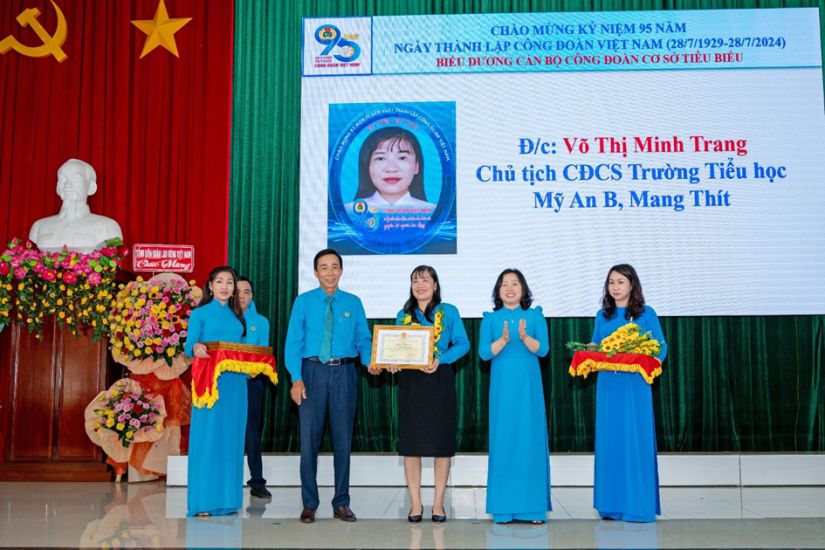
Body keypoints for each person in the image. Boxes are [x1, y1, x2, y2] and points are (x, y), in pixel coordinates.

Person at [369, 265, 469, 523]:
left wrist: (441, 359)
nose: (420, 284)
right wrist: (390, 362)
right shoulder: (403, 315)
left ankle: (437, 504)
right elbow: (394, 349)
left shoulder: (449, 312)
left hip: (439, 382)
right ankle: (415, 504)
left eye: (426, 280)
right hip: (411, 385)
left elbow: (463, 344)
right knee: (412, 445)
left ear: (435, 285)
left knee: (441, 445)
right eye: (415, 280)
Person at [284, 249, 372, 524]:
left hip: (344, 372)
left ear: (342, 271)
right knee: (308, 441)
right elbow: (292, 344)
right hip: (311, 374)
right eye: (324, 267)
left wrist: (371, 362)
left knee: (342, 441)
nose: (330, 272)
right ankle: (309, 503)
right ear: (315, 273)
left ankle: (341, 503)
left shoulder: (353, 303)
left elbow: (363, 340)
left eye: (335, 267)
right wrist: (296, 378)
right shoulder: (304, 302)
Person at [590, 264, 667, 522]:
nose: (615, 287)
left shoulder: (647, 314)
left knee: (636, 440)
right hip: (609, 388)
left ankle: (638, 505)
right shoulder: (602, 315)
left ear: (632, 285)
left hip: (635, 387)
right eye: (611, 282)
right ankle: (610, 506)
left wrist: (647, 359)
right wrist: (591, 351)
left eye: (620, 282)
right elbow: (597, 346)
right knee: (611, 442)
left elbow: (660, 348)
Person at [478, 269, 551, 524]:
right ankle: (503, 508)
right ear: (498, 291)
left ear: (524, 289)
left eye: (515, 283)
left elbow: (543, 349)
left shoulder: (534, 316)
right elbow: (484, 354)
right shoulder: (491, 319)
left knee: (529, 441)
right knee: (504, 441)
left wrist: (523, 337)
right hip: (502, 392)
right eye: (504, 284)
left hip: (528, 391)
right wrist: (504, 340)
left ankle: (533, 509)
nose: (510, 288)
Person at [184, 266, 248, 517]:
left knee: (231, 441)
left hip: (236, 386)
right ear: (210, 286)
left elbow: (242, 350)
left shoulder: (237, 316)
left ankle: (228, 500)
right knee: (207, 440)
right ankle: (203, 502)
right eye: (219, 282)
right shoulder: (200, 314)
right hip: (209, 385)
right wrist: (197, 348)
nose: (225, 286)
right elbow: (189, 346)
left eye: (229, 283)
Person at [29, 158, 123, 252]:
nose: (68, 184)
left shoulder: (107, 226)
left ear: (91, 187)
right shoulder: (40, 226)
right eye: (63, 179)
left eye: (76, 178)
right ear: (57, 188)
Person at [344, 126, 436, 216]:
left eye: (402, 158)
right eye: (380, 158)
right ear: (367, 166)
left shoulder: (433, 212)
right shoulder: (348, 212)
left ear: (416, 166)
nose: (391, 169)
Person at [236, 276, 272, 500]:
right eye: (238, 292)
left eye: (247, 292)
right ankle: (226, 478)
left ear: (252, 295)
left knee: (252, 433)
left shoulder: (261, 322)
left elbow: (261, 355)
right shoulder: (225, 320)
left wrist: (247, 372)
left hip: (251, 383)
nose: (242, 296)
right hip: (226, 383)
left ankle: (257, 480)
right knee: (228, 431)